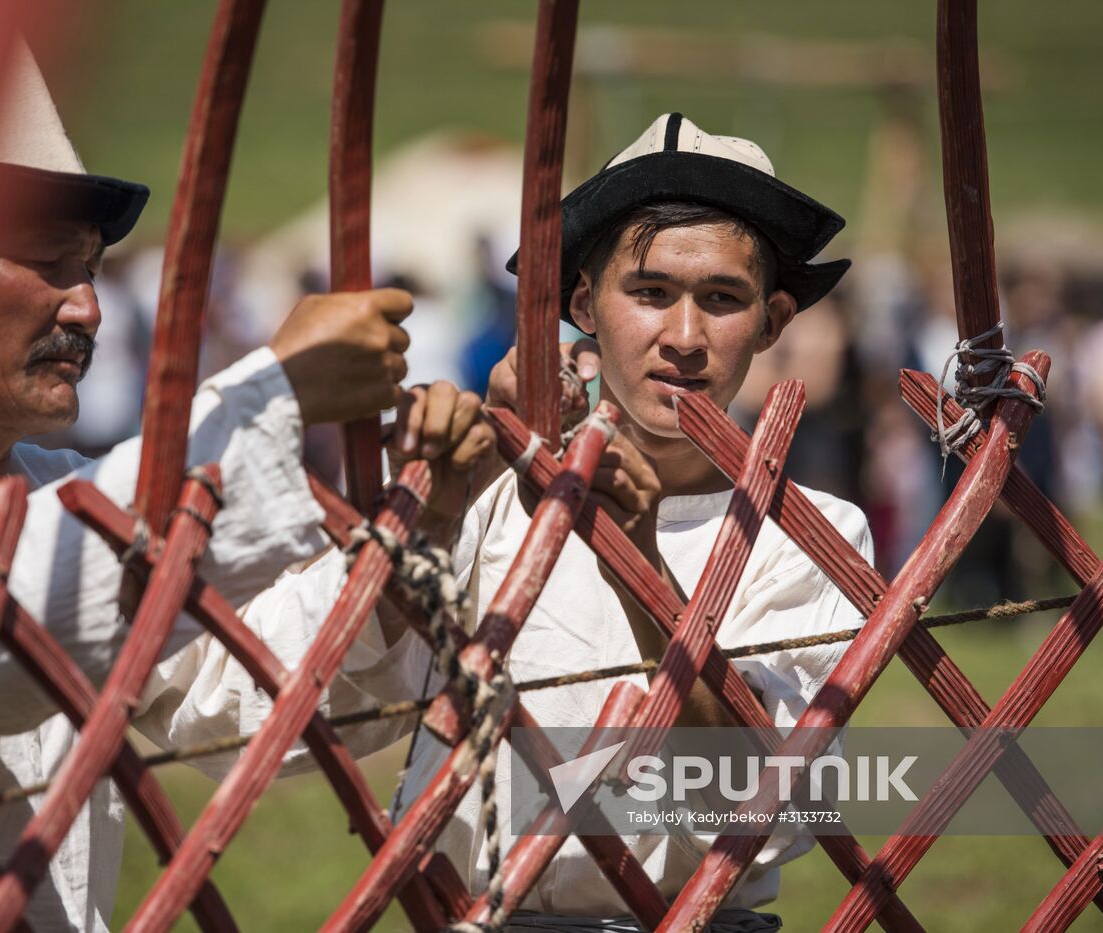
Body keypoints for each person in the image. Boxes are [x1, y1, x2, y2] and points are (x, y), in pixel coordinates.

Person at [0, 1, 433, 929]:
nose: (87, 309)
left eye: (90, 268)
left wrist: (419, 539)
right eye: (48, 262)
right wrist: (268, 396)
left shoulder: (48, 491)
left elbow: (233, 701)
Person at [236, 114, 869, 930]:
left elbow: (770, 799)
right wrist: (439, 504)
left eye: (722, 299)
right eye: (648, 293)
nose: (683, 337)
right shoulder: (492, 493)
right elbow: (319, 700)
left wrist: (634, 556)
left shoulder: (811, 534)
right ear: (582, 303)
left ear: (774, 321)